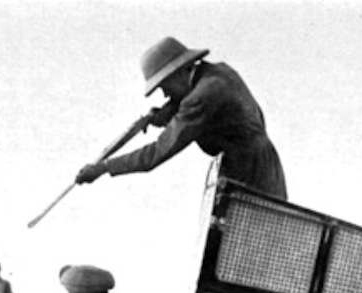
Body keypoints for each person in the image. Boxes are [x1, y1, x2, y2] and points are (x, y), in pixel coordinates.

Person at [75, 37, 287, 199]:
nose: (166, 95)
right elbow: (189, 103)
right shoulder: (217, 72)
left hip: (249, 176)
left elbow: (157, 152)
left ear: (180, 71)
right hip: (259, 166)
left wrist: (105, 167)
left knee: (240, 249)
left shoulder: (203, 96)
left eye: (165, 86)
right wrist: (160, 116)